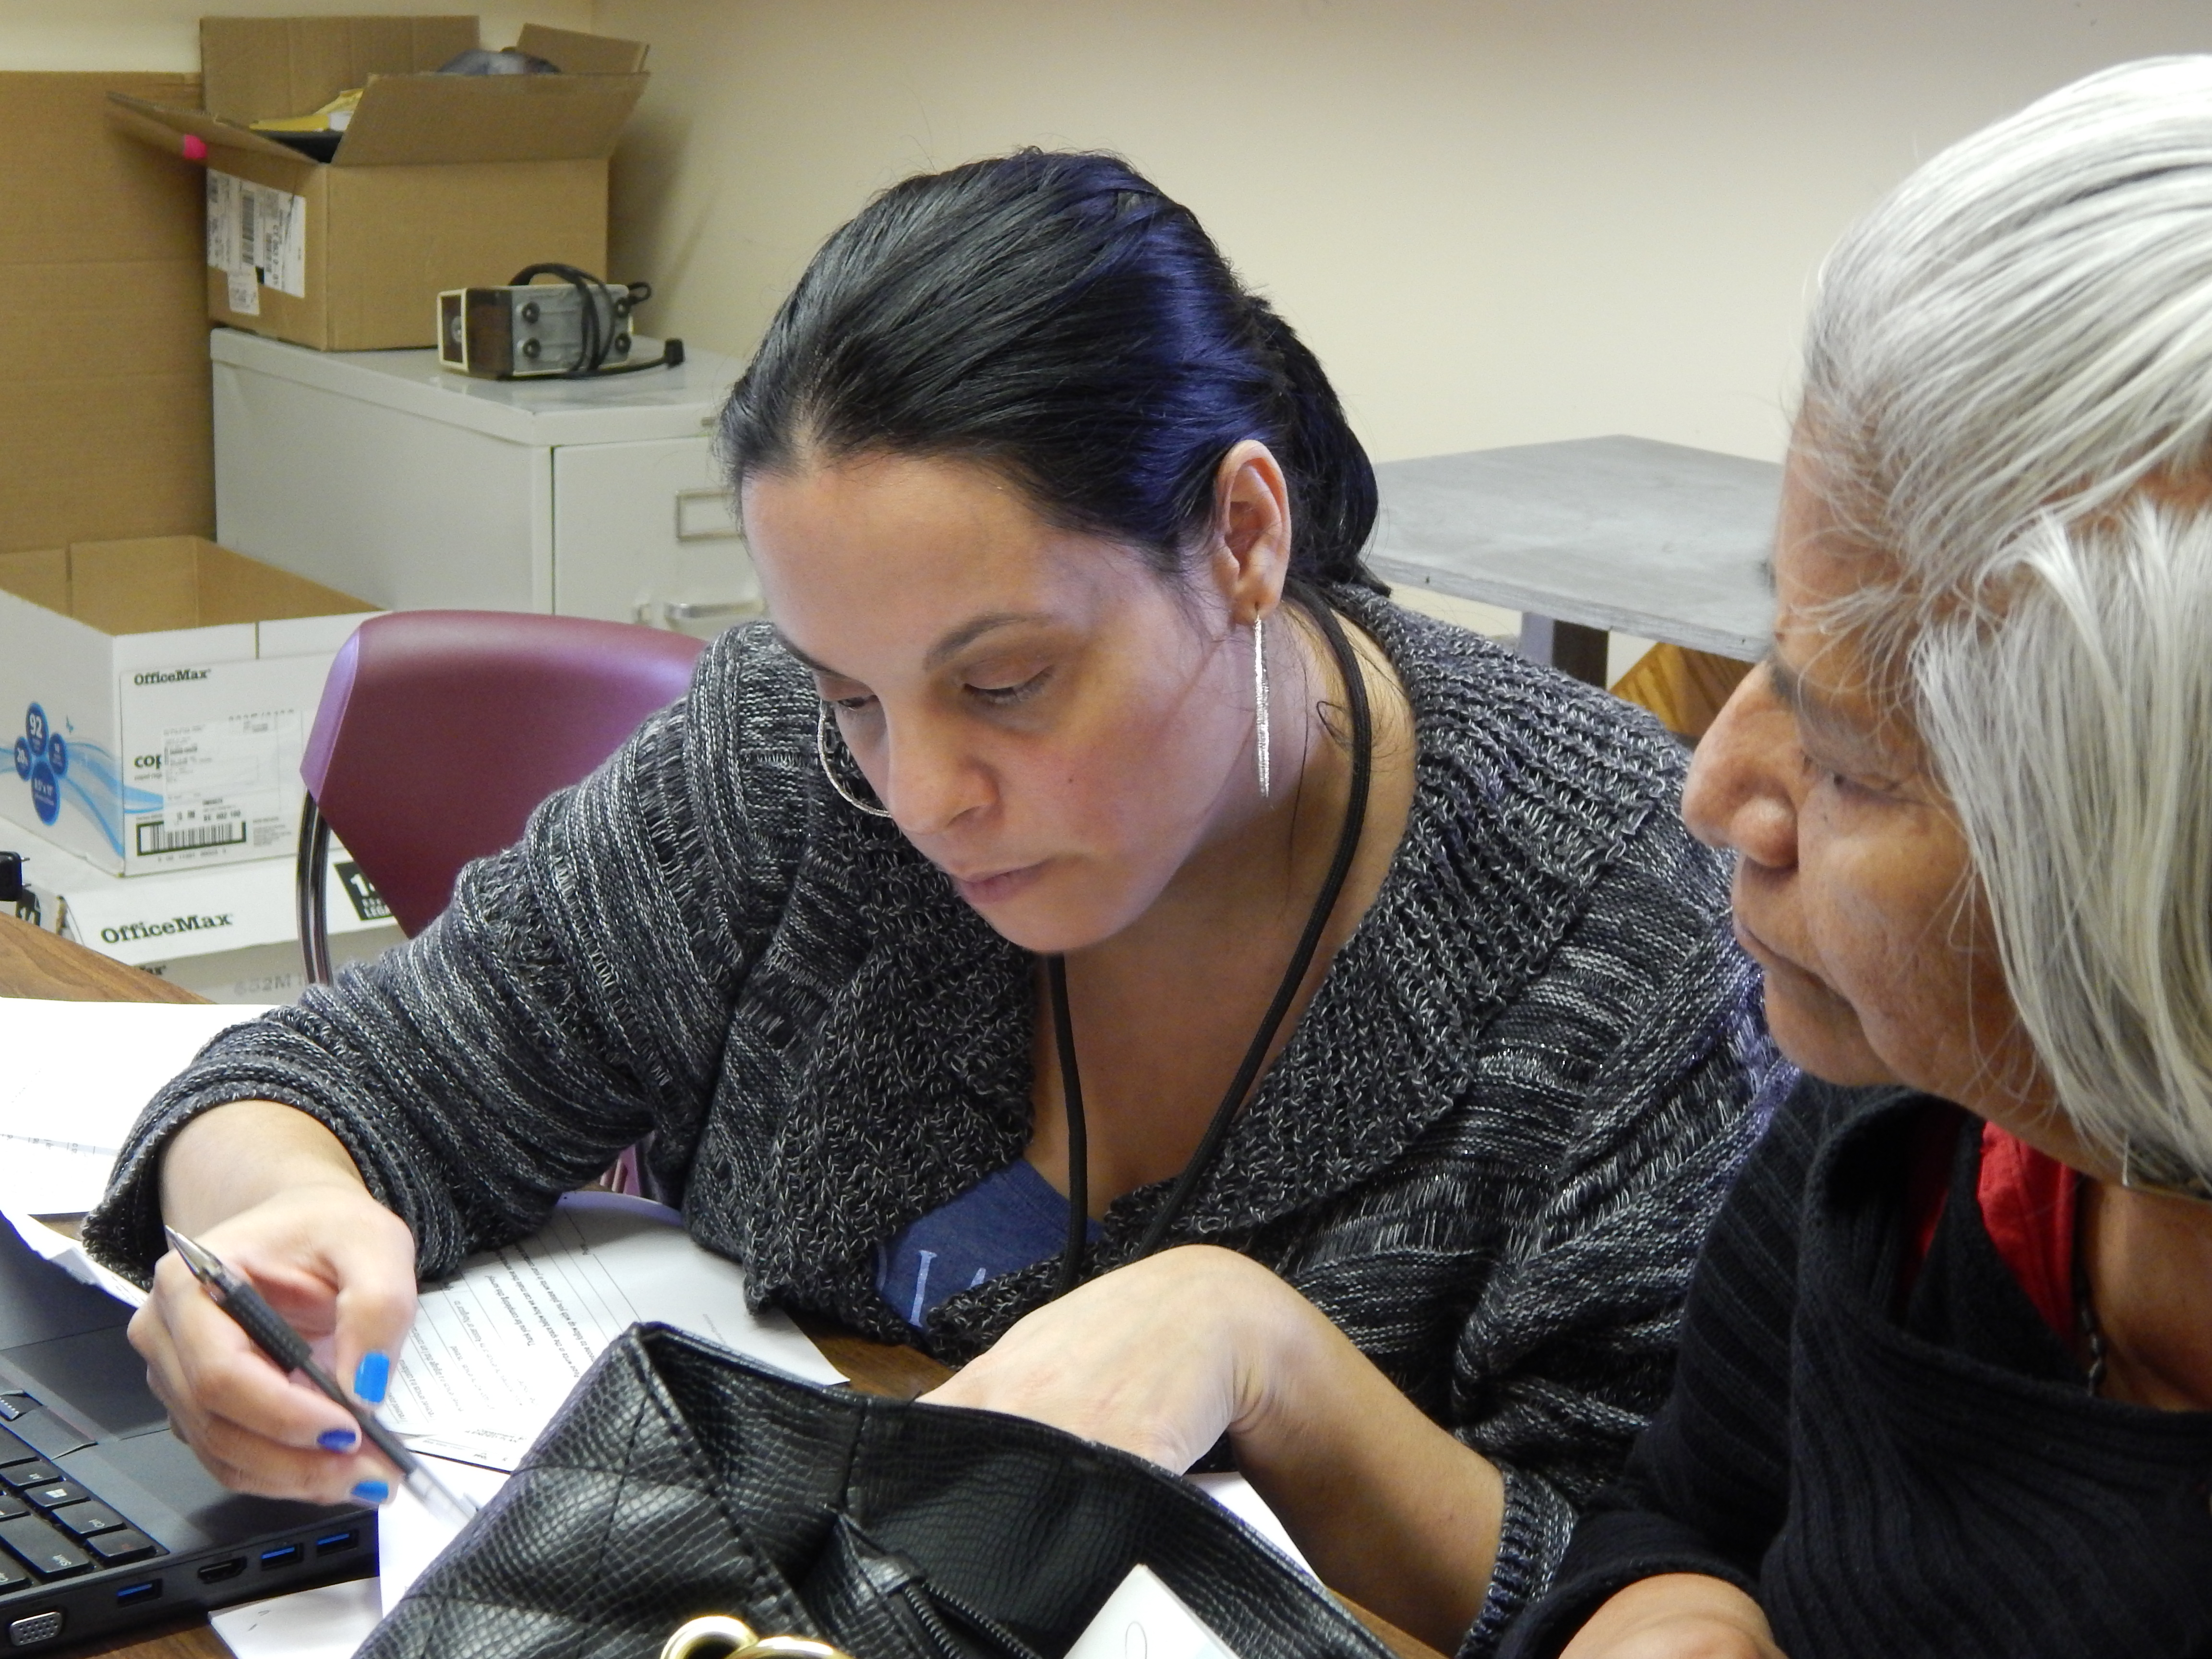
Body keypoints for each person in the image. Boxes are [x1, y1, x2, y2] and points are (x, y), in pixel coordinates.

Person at [85, 151, 1775, 1654]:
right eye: (852, 693)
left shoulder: (1626, 922)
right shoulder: (781, 769)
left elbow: (1638, 1576)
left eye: (1013, 681)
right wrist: (266, 1227)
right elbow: (353, 1074)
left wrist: (1261, 1350)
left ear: (1244, 535)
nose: (920, 792)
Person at [1488, 59, 2212, 1659]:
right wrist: (1669, 1621)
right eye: (1775, 650)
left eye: (1851, 759)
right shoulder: (1915, 1130)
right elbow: (1693, 1511)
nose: (1717, 786)